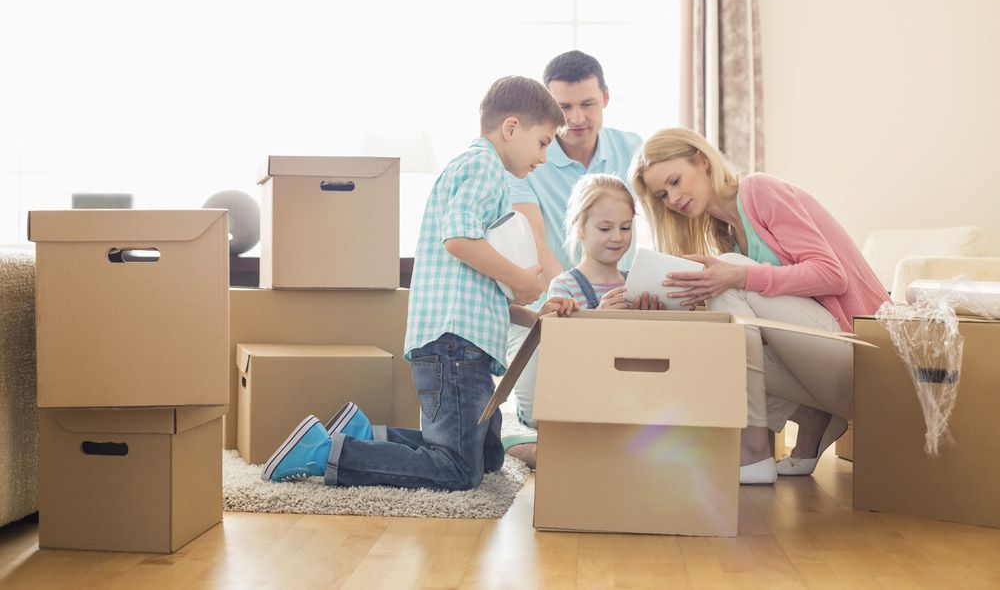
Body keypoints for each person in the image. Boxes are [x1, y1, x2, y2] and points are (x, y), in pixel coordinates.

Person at [260, 76, 577, 490]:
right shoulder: (483, 166)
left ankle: (366, 435)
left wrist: (533, 314)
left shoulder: (480, 171)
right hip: (455, 345)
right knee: (458, 470)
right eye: (543, 142)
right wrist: (520, 277)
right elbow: (458, 239)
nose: (544, 156)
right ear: (512, 128)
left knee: (486, 457)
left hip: (462, 341)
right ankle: (327, 453)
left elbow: (480, 289)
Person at [631, 127, 889, 485]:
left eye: (675, 181)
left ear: (702, 161)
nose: (673, 198)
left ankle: (753, 449)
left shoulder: (758, 190)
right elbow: (760, 334)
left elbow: (833, 275)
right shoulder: (726, 233)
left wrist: (738, 277)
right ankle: (811, 417)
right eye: (662, 194)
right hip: (824, 367)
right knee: (714, 340)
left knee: (732, 269)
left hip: (864, 355)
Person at [504, 51, 644, 461]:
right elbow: (538, 243)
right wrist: (581, 308)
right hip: (550, 309)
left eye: (587, 104)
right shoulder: (528, 158)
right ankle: (517, 441)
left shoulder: (632, 149)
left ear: (605, 97)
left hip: (619, 300)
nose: (577, 118)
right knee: (542, 412)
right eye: (564, 107)